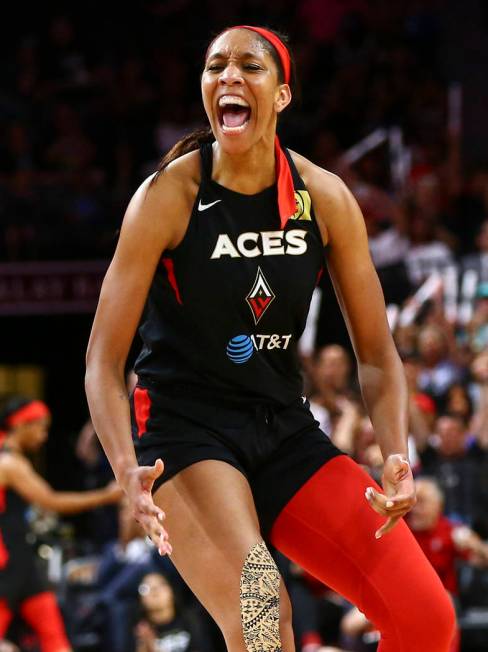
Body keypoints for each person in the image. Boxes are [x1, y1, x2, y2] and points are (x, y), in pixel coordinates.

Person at [85, 25, 455, 651]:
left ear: (282, 95)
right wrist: (126, 468)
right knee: (263, 617)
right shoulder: (168, 195)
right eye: (215, 66)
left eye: (249, 67)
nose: (229, 76)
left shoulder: (324, 197)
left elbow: (377, 354)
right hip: (186, 430)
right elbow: (103, 358)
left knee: (427, 618)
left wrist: (396, 454)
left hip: (281, 426)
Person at [0, 395, 122, 652]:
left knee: (55, 639)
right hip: (5, 564)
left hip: (21, 562)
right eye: (41, 427)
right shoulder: (9, 463)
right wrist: (107, 496)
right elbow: (52, 501)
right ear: (22, 424)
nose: (44, 436)